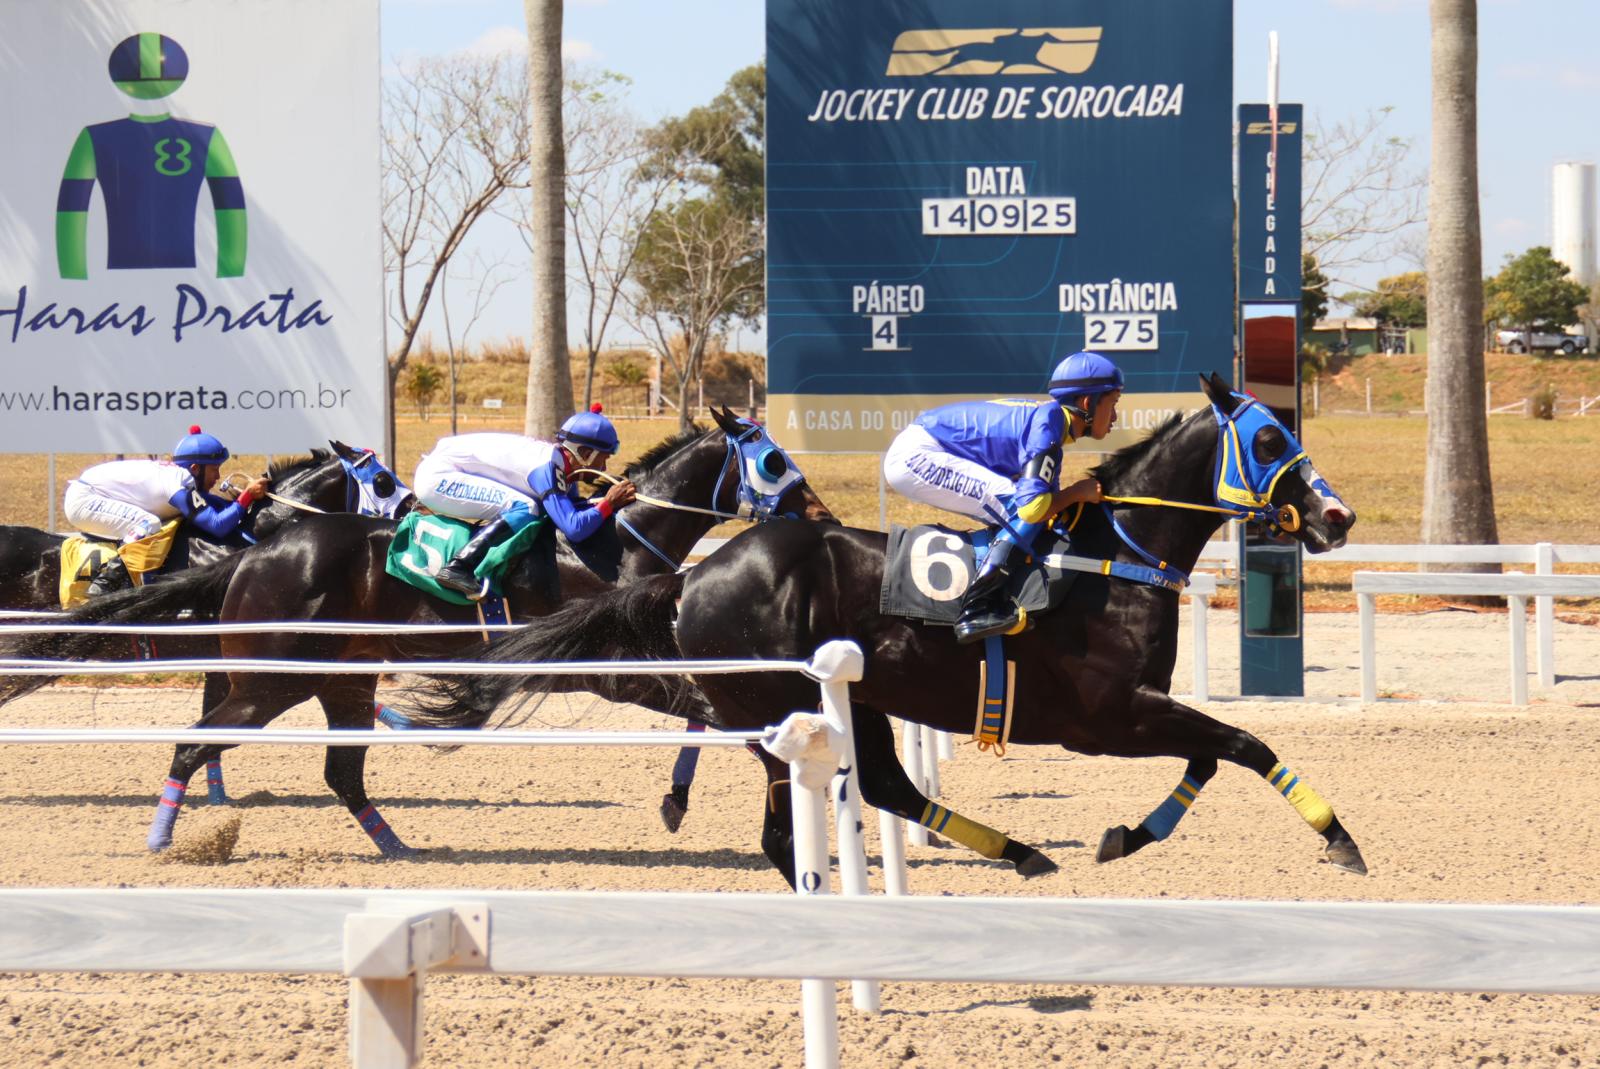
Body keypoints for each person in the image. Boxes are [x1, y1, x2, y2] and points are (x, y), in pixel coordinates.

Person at [882, 351, 1124, 643]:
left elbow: (1049, 510)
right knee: (1020, 509)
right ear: (1088, 403)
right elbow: (1033, 509)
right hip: (918, 455)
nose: (1114, 417)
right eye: (1112, 404)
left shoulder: (1051, 427)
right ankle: (977, 608)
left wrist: (1065, 500)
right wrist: (1076, 492)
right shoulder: (1047, 425)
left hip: (923, 449)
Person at [417, 404, 638, 600]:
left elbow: (574, 509)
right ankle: (459, 566)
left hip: (451, 469)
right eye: (603, 458)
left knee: (529, 506)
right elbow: (574, 528)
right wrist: (609, 503)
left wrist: (604, 503)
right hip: (439, 477)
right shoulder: (547, 467)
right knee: (525, 507)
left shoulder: (564, 467)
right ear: (585, 453)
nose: (604, 468)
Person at [62, 425, 272, 596]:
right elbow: (216, 525)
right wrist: (246, 497)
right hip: (83, 499)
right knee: (149, 523)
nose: (217, 476)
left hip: (95, 493)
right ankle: (107, 581)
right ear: (195, 469)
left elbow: (214, 508)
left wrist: (250, 500)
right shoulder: (178, 481)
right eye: (214, 469)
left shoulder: (181, 478)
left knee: (151, 521)